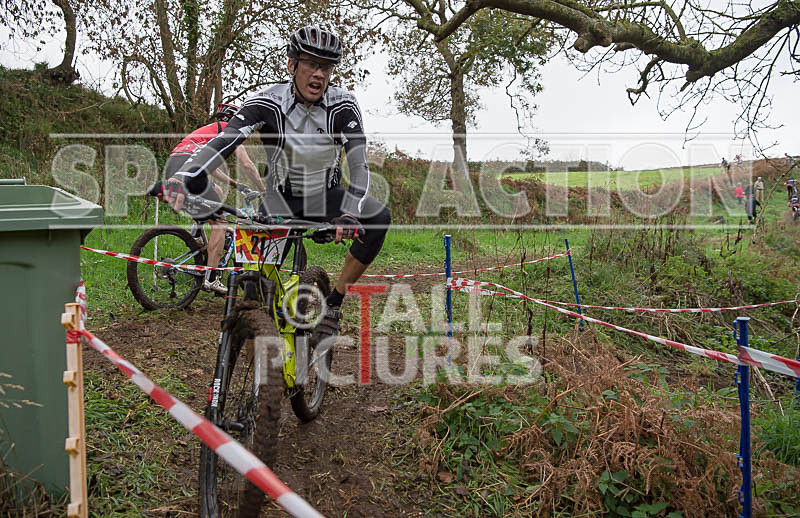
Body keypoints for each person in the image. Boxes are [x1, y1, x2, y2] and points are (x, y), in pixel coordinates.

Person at [162, 25, 391, 344]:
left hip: (326, 197)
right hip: (279, 199)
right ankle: (260, 370)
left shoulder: (344, 104)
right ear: (292, 64)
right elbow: (225, 142)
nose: (319, 75)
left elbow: (359, 162)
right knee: (254, 298)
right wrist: (185, 176)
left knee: (378, 218)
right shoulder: (267, 102)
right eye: (311, 63)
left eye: (326, 67)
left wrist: (350, 213)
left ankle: (335, 304)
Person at [162, 103, 266, 294]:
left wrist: (235, 184)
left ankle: (196, 233)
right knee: (220, 222)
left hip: (172, 170)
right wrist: (263, 189)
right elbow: (247, 164)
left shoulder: (206, 132)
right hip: (190, 175)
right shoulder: (232, 131)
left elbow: (211, 167)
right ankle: (211, 278)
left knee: (216, 190)